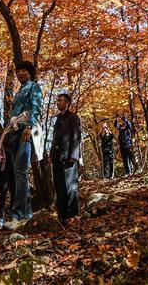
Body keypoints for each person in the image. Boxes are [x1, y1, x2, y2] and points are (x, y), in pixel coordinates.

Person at [3, 60, 44, 230]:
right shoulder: (20, 89)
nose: (20, 73)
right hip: (15, 132)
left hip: (26, 130)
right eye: (18, 71)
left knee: (21, 171)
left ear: (30, 72)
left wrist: (29, 126)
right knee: (18, 172)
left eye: (23, 71)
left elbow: (37, 107)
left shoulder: (33, 86)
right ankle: (25, 213)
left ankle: (18, 214)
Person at [51, 93, 82, 221]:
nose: (58, 103)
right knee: (59, 187)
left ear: (67, 103)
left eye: (61, 100)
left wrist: (74, 156)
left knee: (70, 187)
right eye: (57, 100)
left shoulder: (73, 118)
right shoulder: (58, 119)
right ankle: (62, 216)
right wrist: (51, 154)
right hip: (57, 158)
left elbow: (76, 137)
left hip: (68, 158)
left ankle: (73, 215)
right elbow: (55, 138)